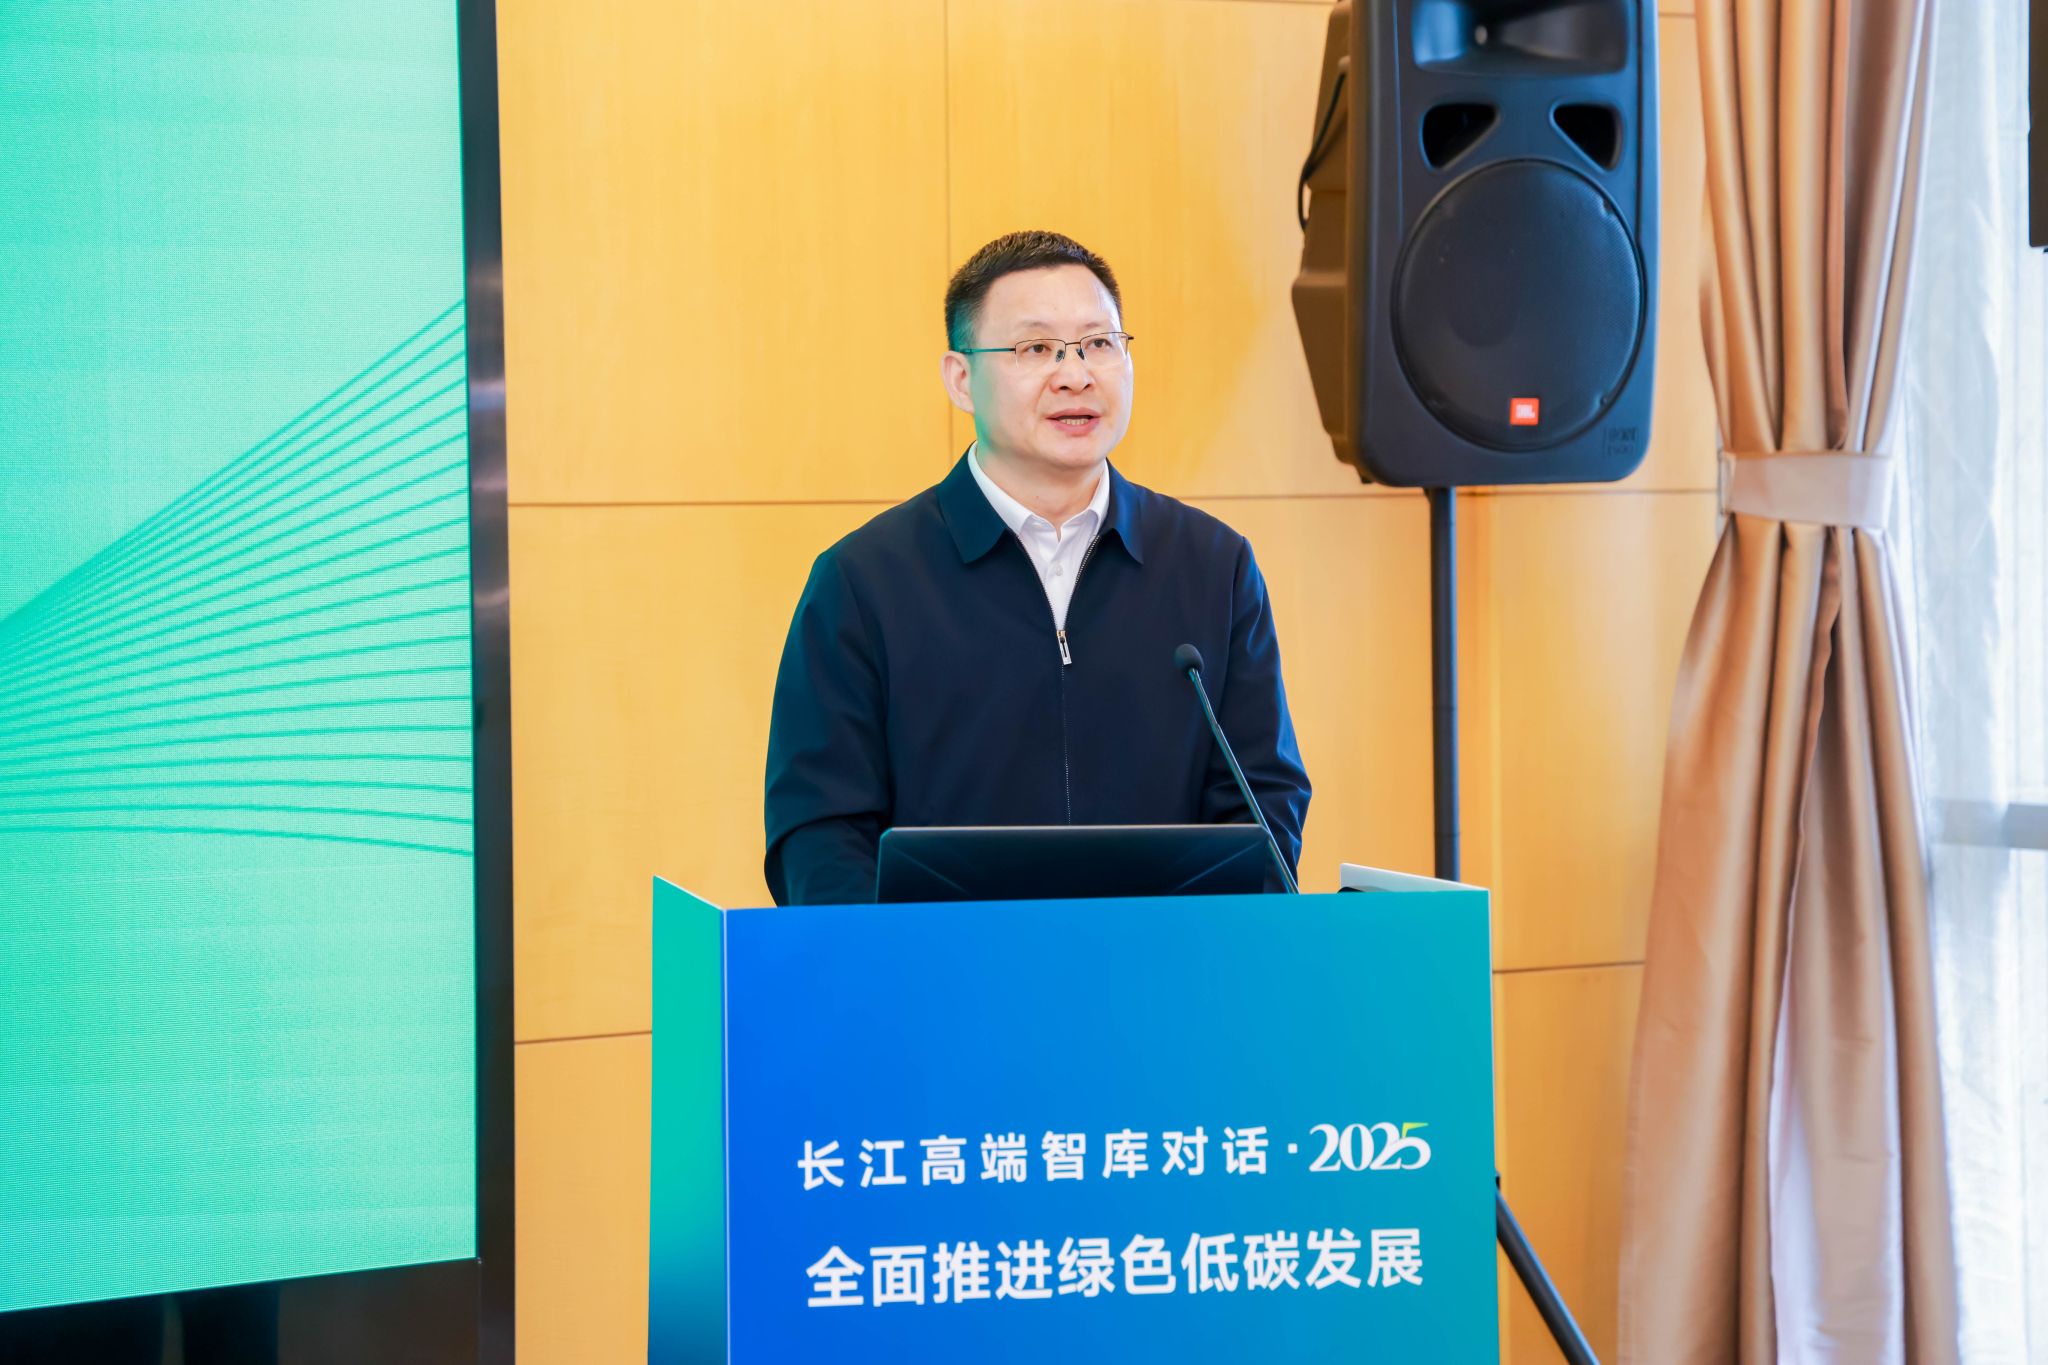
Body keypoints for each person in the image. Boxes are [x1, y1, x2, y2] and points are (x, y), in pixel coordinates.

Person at [763, 230, 1310, 905]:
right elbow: (819, 830)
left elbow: (1263, 800)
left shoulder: (1213, 566)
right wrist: (893, 960)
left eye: (1099, 343)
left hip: (1164, 964)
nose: (1075, 374)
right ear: (961, 379)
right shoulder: (864, 581)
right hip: (940, 967)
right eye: (1036, 349)